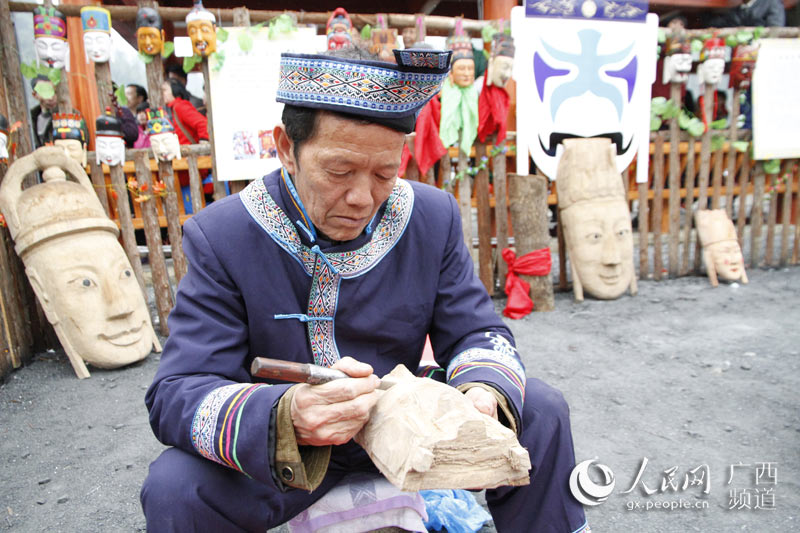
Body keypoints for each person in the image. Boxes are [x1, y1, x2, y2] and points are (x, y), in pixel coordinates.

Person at [141, 46, 589, 533]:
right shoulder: (224, 235)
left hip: (411, 433)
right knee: (177, 487)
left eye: (384, 174)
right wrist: (286, 416)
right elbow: (177, 392)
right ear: (286, 148)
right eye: (338, 172)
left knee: (540, 411)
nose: (362, 199)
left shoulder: (429, 216)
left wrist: (480, 393)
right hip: (296, 453)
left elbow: (478, 331)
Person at [29, 75, 89, 148]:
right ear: (35, 95)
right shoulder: (30, 118)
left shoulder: (72, 115)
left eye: (54, 92)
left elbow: (83, 143)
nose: (51, 97)